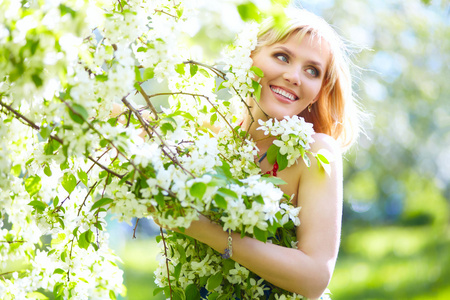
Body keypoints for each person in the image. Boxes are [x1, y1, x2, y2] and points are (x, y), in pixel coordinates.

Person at [160, 8, 363, 300]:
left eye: (312, 70)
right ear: (249, 57)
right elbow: (125, 123)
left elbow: (315, 277)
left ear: (318, 92)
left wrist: (201, 229)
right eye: (282, 56)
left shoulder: (315, 153)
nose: (294, 76)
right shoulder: (207, 134)